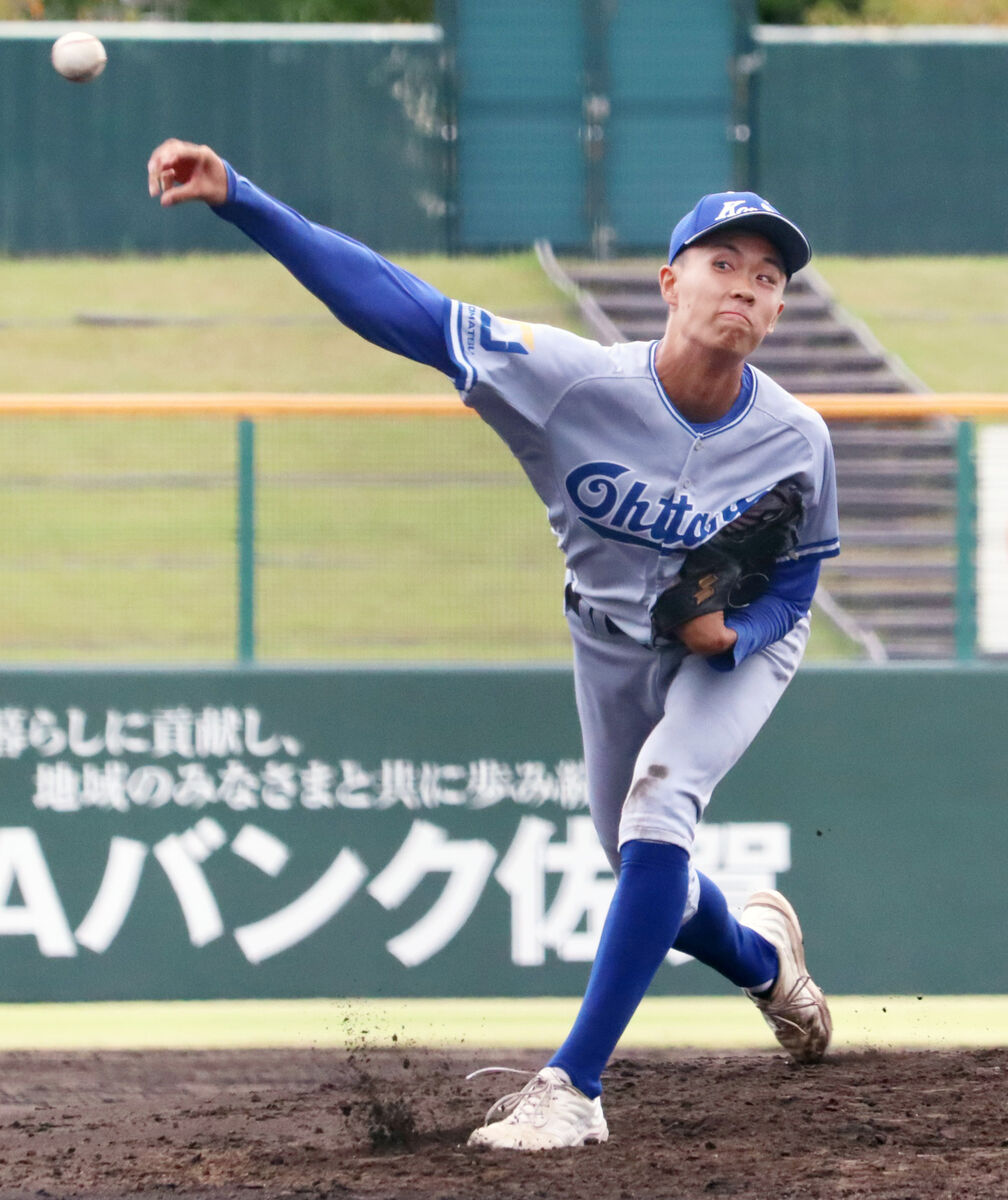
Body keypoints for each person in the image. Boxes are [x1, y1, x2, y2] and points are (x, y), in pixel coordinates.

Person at [147, 139, 838, 1151]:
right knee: (642, 868)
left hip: (728, 656)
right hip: (605, 637)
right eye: (723, 262)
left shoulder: (797, 434)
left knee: (658, 816)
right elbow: (403, 307)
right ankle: (769, 966)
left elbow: (800, 580)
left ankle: (574, 1088)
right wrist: (240, 198)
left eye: (768, 277)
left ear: (778, 312)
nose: (745, 286)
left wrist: (740, 631)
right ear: (670, 279)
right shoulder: (568, 381)